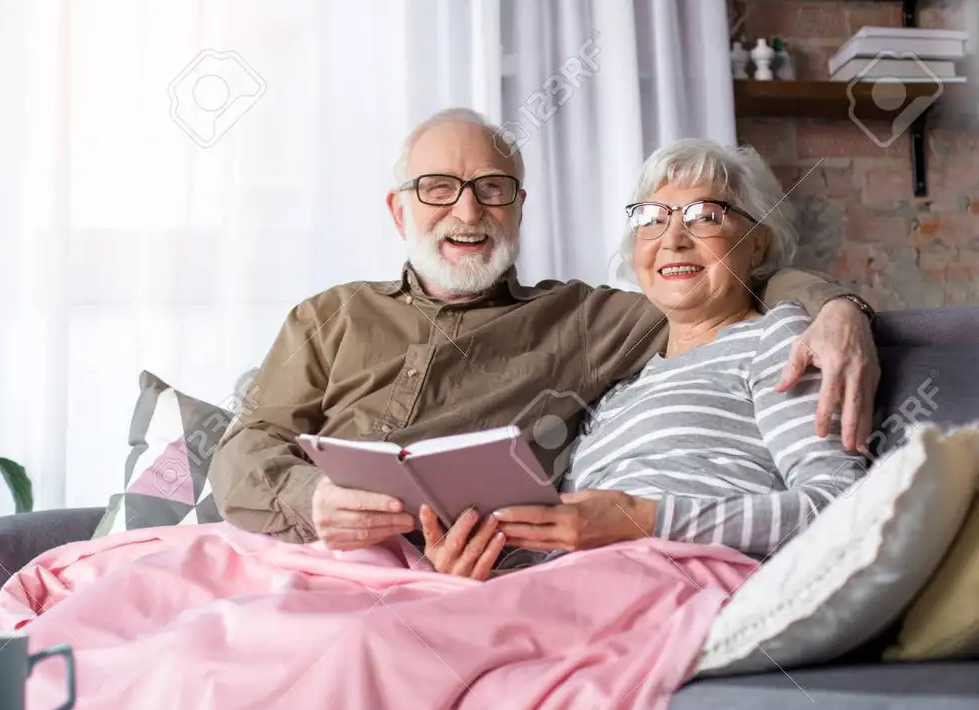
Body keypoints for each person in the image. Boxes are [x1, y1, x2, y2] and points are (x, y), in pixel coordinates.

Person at [208, 109, 879, 566]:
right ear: (399, 208)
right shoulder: (327, 317)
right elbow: (242, 453)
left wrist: (838, 309)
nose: (468, 211)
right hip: (301, 551)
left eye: (492, 189)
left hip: (449, 578)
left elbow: (727, 286)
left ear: (519, 206)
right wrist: (313, 502)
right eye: (438, 188)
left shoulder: (587, 321)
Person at [422, 139, 870, 578]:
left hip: (681, 580)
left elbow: (841, 503)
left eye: (705, 216)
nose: (673, 239)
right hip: (580, 585)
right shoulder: (617, 390)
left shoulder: (777, 339)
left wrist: (645, 518)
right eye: (652, 219)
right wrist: (477, 566)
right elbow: (569, 540)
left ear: (756, 244)